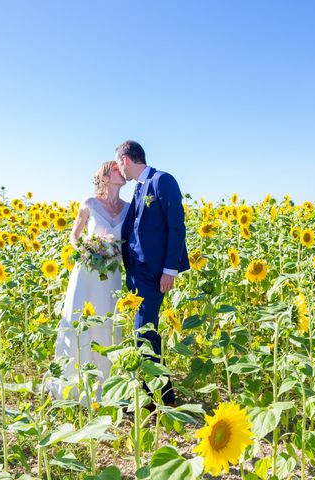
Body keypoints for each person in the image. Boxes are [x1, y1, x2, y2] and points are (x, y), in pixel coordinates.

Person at [116, 140, 189, 405]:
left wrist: (170, 269)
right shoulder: (138, 188)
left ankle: (147, 397)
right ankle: (164, 391)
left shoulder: (162, 180)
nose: (119, 170)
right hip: (136, 270)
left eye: (118, 163)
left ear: (126, 160)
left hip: (155, 272)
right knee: (146, 331)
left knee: (143, 331)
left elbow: (176, 226)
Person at [51, 161, 129, 400]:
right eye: (115, 169)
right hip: (87, 270)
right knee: (81, 320)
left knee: (108, 320)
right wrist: (86, 248)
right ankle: (74, 387)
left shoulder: (129, 207)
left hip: (112, 273)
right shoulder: (90, 203)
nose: (121, 171)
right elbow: (74, 236)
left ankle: (107, 388)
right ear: (104, 177)